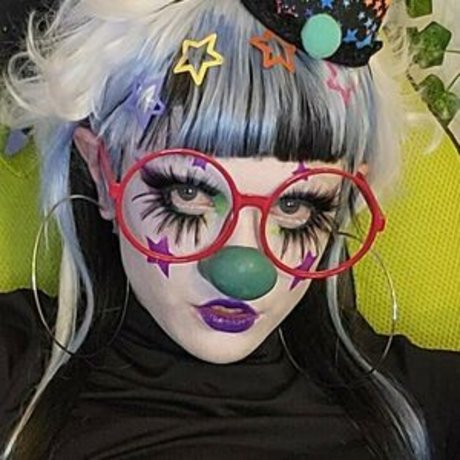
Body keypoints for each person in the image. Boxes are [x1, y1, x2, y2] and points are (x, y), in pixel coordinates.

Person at [0, 0, 459, 459]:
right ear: (104, 174)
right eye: (187, 194)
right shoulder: (13, 369)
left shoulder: (425, 404)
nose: (243, 272)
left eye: (295, 205)